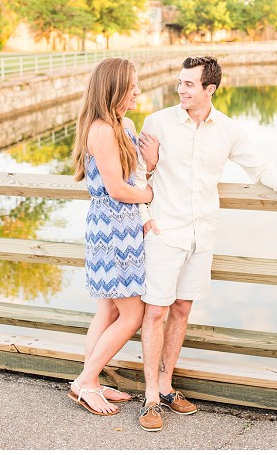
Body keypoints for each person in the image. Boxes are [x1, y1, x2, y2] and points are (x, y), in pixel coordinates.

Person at [135, 55, 277, 432]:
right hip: (164, 231)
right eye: (179, 82)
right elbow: (137, 174)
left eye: (188, 84)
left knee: (182, 309)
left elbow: (260, 167)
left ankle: (166, 387)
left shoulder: (227, 130)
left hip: (202, 234)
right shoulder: (158, 123)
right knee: (154, 312)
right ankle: (149, 397)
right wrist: (147, 220)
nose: (180, 89)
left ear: (209, 89)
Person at [69, 58, 158, 415]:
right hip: (111, 231)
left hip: (126, 227)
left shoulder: (126, 124)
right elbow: (119, 189)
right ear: (114, 88)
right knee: (132, 314)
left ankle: (88, 381)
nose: (138, 91)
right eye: (132, 85)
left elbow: (134, 177)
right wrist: (152, 197)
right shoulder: (101, 130)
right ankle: (87, 382)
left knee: (107, 310)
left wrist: (150, 164)